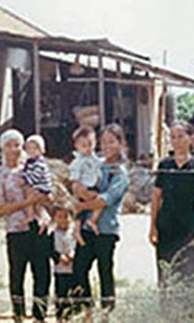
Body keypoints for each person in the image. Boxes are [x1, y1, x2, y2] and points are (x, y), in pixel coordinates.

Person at [149, 120, 194, 321]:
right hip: (166, 225)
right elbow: (156, 197)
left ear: (190, 139)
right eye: (173, 137)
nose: (176, 141)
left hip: (189, 226)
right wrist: (152, 226)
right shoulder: (164, 165)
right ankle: (170, 314)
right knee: (167, 269)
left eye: (180, 136)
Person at [0, 129, 51, 323]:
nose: (14, 149)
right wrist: (25, 204)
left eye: (17, 145)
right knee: (17, 274)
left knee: (42, 271)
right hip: (16, 230)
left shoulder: (33, 165)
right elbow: (1, 208)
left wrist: (41, 203)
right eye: (9, 145)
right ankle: (18, 315)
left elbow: (47, 193)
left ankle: (39, 315)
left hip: (39, 225)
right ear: (2, 148)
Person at [72, 123, 129, 322]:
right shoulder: (94, 164)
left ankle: (106, 314)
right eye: (103, 142)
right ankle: (87, 311)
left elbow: (105, 200)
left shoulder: (120, 174)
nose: (107, 146)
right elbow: (78, 186)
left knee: (105, 271)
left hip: (106, 230)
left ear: (121, 144)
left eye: (111, 141)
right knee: (79, 269)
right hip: (87, 227)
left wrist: (80, 206)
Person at [69, 126, 103, 245]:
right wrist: (78, 187)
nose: (88, 148)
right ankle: (76, 230)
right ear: (77, 146)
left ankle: (92, 221)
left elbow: (100, 168)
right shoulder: (78, 161)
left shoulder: (95, 158)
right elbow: (74, 177)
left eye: (90, 144)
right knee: (80, 210)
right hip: (84, 186)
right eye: (84, 145)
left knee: (99, 202)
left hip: (93, 185)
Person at [48, 202, 77, 323]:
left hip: (74, 269)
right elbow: (50, 250)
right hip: (60, 269)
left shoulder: (75, 231)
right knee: (61, 295)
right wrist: (60, 257)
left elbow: (80, 246)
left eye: (66, 216)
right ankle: (60, 318)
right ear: (54, 218)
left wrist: (73, 254)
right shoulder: (52, 234)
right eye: (59, 216)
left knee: (75, 296)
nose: (63, 220)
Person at [21, 134, 53, 226]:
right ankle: (42, 217)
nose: (31, 151)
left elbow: (35, 177)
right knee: (38, 205)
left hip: (42, 186)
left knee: (29, 194)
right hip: (37, 185)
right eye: (29, 148)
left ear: (41, 150)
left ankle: (30, 215)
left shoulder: (39, 163)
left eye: (34, 148)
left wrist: (25, 180)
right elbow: (26, 171)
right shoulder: (30, 161)